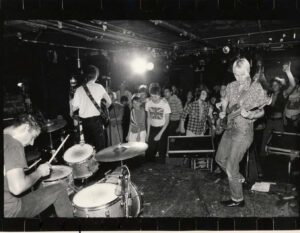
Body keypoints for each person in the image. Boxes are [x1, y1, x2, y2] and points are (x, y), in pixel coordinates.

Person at [215, 58, 268, 207]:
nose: (237, 78)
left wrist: (251, 115)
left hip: (243, 131)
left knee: (231, 166)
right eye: (235, 74)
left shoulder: (255, 87)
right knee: (219, 159)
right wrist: (223, 112)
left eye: (241, 74)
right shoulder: (231, 85)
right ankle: (239, 178)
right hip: (230, 127)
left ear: (247, 71)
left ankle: (237, 199)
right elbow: (225, 100)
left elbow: (261, 111)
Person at [4, 114, 73, 217]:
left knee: (39, 186)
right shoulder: (14, 145)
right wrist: (39, 172)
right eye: (33, 137)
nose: (32, 143)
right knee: (59, 189)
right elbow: (17, 188)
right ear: (26, 127)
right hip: (10, 211)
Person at [71, 65, 112, 152]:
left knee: (88, 150)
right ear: (96, 76)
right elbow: (109, 102)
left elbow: (74, 110)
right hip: (96, 122)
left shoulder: (78, 90)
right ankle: (102, 165)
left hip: (84, 124)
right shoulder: (99, 87)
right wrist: (103, 110)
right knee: (101, 149)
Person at [259, 61, 296, 157]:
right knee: (264, 141)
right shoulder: (270, 94)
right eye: (273, 85)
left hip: (278, 122)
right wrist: (261, 73)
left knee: (281, 141)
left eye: (276, 85)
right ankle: (263, 160)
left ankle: (283, 159)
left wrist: (288, 72)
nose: (274, 86)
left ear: (280, 86)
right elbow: (263, 82)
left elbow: (292, 85)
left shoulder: (283, 94)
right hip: (269, 122)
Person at [145, 83, 171, 163]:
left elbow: (167, 121)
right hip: (153, 128)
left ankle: (162, 171)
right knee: (149, 152)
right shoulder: (148, 103)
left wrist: (160, 134)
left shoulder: (165, 104)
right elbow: (148, 118)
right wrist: (148, 134)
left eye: (155, 96)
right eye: (152, 96)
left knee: (162, 153)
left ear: (159, 95)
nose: (153, 98)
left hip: (162, 129)